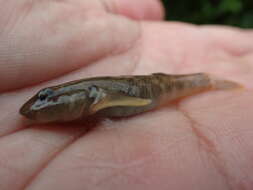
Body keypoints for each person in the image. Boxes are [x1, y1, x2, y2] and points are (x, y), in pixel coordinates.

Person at [0, 0, 252, 189]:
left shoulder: (96, 96)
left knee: (187, 83)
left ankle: (209, 82)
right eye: (46, 98)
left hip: (159, 86)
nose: (42, 104)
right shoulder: (86, 98)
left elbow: (140, 99)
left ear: (93, 97)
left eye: (48, 98)